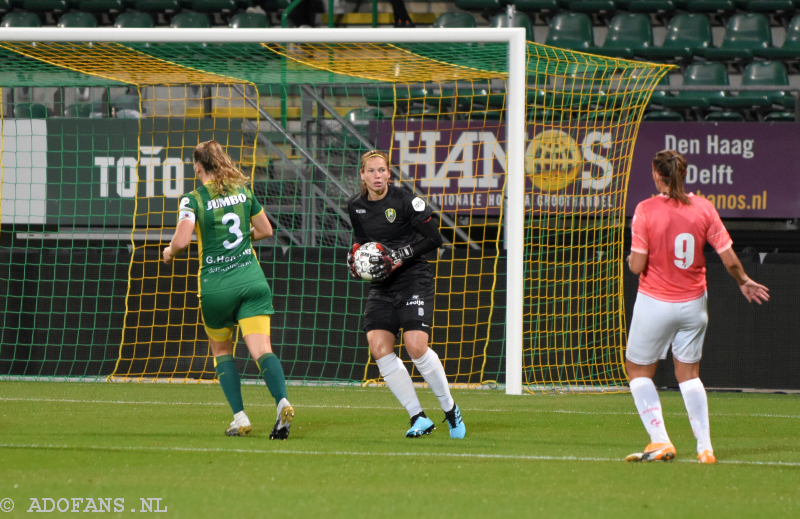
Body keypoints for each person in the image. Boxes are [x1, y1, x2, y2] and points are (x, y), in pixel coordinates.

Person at [624, 149, 769, 463]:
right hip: (693, 304)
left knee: (637, 369)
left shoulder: (645, 209)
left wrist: (630, 260)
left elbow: (636, 266)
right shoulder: (704, 208)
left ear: (655, 174)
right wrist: (744, 280)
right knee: (689, 375)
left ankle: (660, 440)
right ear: (683, 175)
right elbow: (728, 256)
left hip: (656, 302)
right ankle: (705, 448)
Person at [162, 140, 295, 440]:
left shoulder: (192, 199)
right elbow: (266, 230)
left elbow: (182, 242)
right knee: (262, 350)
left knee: (222, 351)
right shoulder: (243, 191)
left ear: (197, 167)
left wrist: (170, 251)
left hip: (217, 287)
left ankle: (240, 417)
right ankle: (282, 401)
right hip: (252, 281)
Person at [346, 150, 465, 439]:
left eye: (382, 170)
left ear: (389, 173)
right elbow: (362, 241)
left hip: (414, 277)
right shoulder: (355, 206)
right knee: (378, 347)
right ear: (362, 175)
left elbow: (435, 239)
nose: (377, 176)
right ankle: (418, 417)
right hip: (383, 283)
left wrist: (399, 255)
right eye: (371, 171)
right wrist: (356, 257)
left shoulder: (405, 200)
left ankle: (450, 410)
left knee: (415, 347)